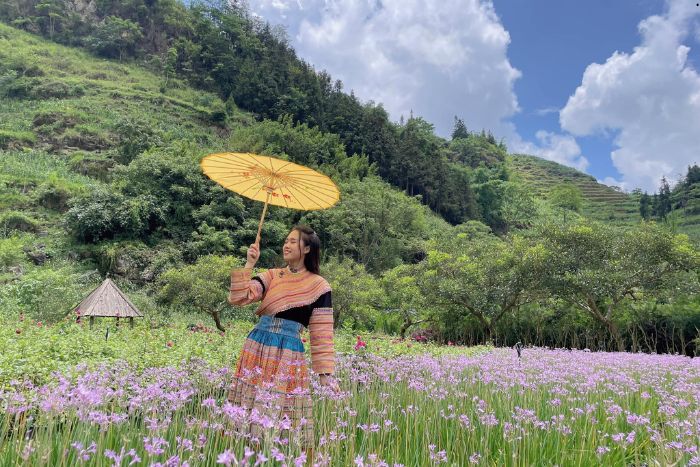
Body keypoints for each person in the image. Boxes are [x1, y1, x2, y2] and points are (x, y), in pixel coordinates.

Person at [226, 224, 340, 462]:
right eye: (286, 241)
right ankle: (245, 458)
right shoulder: (272, 275)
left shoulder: (320, 286)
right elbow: (238, 298)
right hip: (257, 346)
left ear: (307, 248)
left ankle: (280, 459)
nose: (286, 245)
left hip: (289, 352)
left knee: (283, 412)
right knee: (249, 409)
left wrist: (325, 374)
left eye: (292, 241)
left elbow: (321, 332)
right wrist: (249, 264)